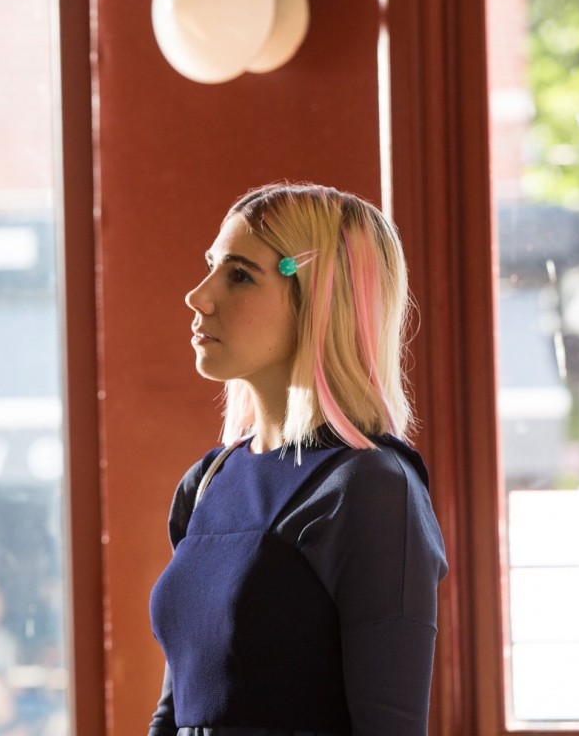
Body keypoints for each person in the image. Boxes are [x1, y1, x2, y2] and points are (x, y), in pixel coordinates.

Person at [148, 184, 448, 735]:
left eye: (240, 275)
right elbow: (176, 711)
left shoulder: (370, 489)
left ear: (319, 302)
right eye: (212, 267)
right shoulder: (206, 483)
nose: (198, 296)